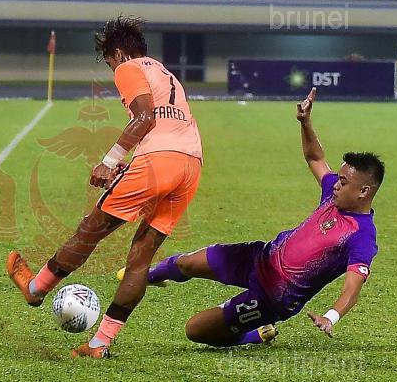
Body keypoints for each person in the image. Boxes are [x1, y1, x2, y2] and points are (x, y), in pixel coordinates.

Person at [6, 16, 204, 358]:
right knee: (140, 258)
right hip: (191, 164)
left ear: (119, 53)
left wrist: (110, 161)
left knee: (90, 230)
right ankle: (99, 344)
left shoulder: (128, 67)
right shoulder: (164, 72)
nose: (112, 68)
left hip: (159, 160)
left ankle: (36, 288)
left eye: (109, 61)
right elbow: (167, 123)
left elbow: (146, 118)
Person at [133, 87, 384, 347]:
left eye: (343, 182)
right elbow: (315, 157)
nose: (336, 185)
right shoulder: (333, 195)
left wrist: (331, 316)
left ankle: (255, 335)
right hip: (260, 257)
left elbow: (353, 287)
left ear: (363, 191)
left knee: (196, 330)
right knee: (187, 263)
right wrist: (305, 122)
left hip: (272, 297)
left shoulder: (362, 235)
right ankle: (142, 276)